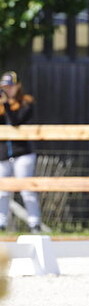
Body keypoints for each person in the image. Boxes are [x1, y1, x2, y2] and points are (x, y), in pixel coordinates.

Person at [0, 71, 41, 233]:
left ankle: (34, 223)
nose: (7, 90)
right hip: (3, 154)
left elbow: (16, 121)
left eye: (10, 86)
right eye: (4, 87)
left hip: (22, 153)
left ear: (18, 86)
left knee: (26, 189)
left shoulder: (26, 103)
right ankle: (1, 223)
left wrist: (7, 105)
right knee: (2, 190)